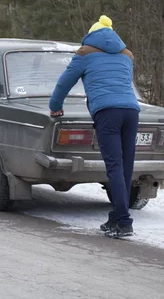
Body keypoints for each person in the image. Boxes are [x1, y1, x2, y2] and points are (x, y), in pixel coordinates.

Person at [49, 15, 140, 238]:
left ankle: (124, 222)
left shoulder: (85, 53)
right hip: (131, 111)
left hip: (107, 113)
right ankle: (118, 216)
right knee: (126, 167)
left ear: (91, 35)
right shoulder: (127, 55)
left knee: (114, 166)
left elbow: (64, 82)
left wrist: (55, 106)